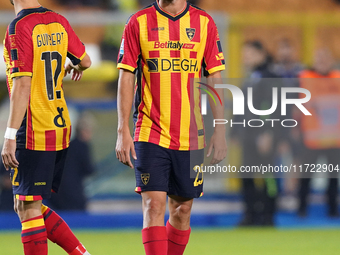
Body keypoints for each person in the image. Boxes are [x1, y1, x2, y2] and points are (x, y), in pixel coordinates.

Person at [116, 0, 227, 254]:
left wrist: (219, 130)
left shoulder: (204, 23)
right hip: (150, 130)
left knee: (182, 210)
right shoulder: (137, 22)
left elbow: (215, 78)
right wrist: (122, 130)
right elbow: (126, 75)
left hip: (191, 135)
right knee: (152, 206)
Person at [1, 0, 92, 254]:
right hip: (60, 125)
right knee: (26, 203)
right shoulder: (59, 21)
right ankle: (81, 253)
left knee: (28, 208)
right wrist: (71, 65)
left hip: (33, 128)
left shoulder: (19, 27)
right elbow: (85, 61)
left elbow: (22, 85)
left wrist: (9, 135)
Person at [233, 40, 281, 226]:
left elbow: (272, 107)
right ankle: (251, 214)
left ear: (261, 54)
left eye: (250, 53)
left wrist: (267, 132)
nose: (246, 57)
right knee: (247, 176)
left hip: (262, 136)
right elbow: (242, 108)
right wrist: (236, 132)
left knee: (267, 176)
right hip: (249, 136)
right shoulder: (251, 77)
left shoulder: (269, 77)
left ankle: (268, 215)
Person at [297, 48, 340, 218]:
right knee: (305, 177)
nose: (322, 62)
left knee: (333, 179)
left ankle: (332, 211)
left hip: (334, 140)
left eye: (325, 58)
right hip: (311, 139)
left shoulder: (337, 77)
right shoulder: (304, 78)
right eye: (319, 58)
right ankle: (302, 210)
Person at [49, 113, 95, 211]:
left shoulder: (66, 146)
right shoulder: (83, 146)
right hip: (74, 192)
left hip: (57, 193)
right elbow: (88, 169)